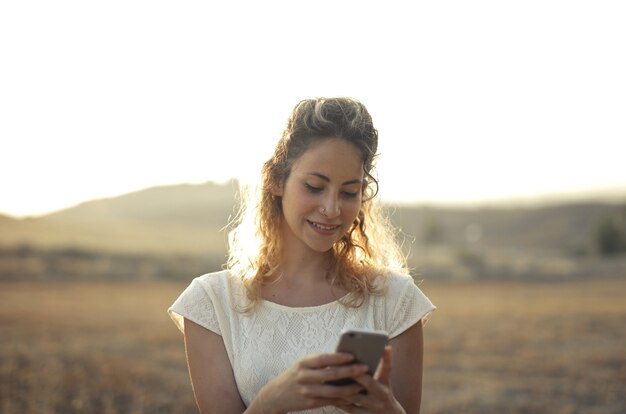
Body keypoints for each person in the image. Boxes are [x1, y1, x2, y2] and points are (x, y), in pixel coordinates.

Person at [168, 97, 435, 414]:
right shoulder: (212, 303)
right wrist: (271, 401)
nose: (332, 208)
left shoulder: (394, 300)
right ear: (277, 181)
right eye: (314, 186)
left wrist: (390, 411)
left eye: (350, 192)